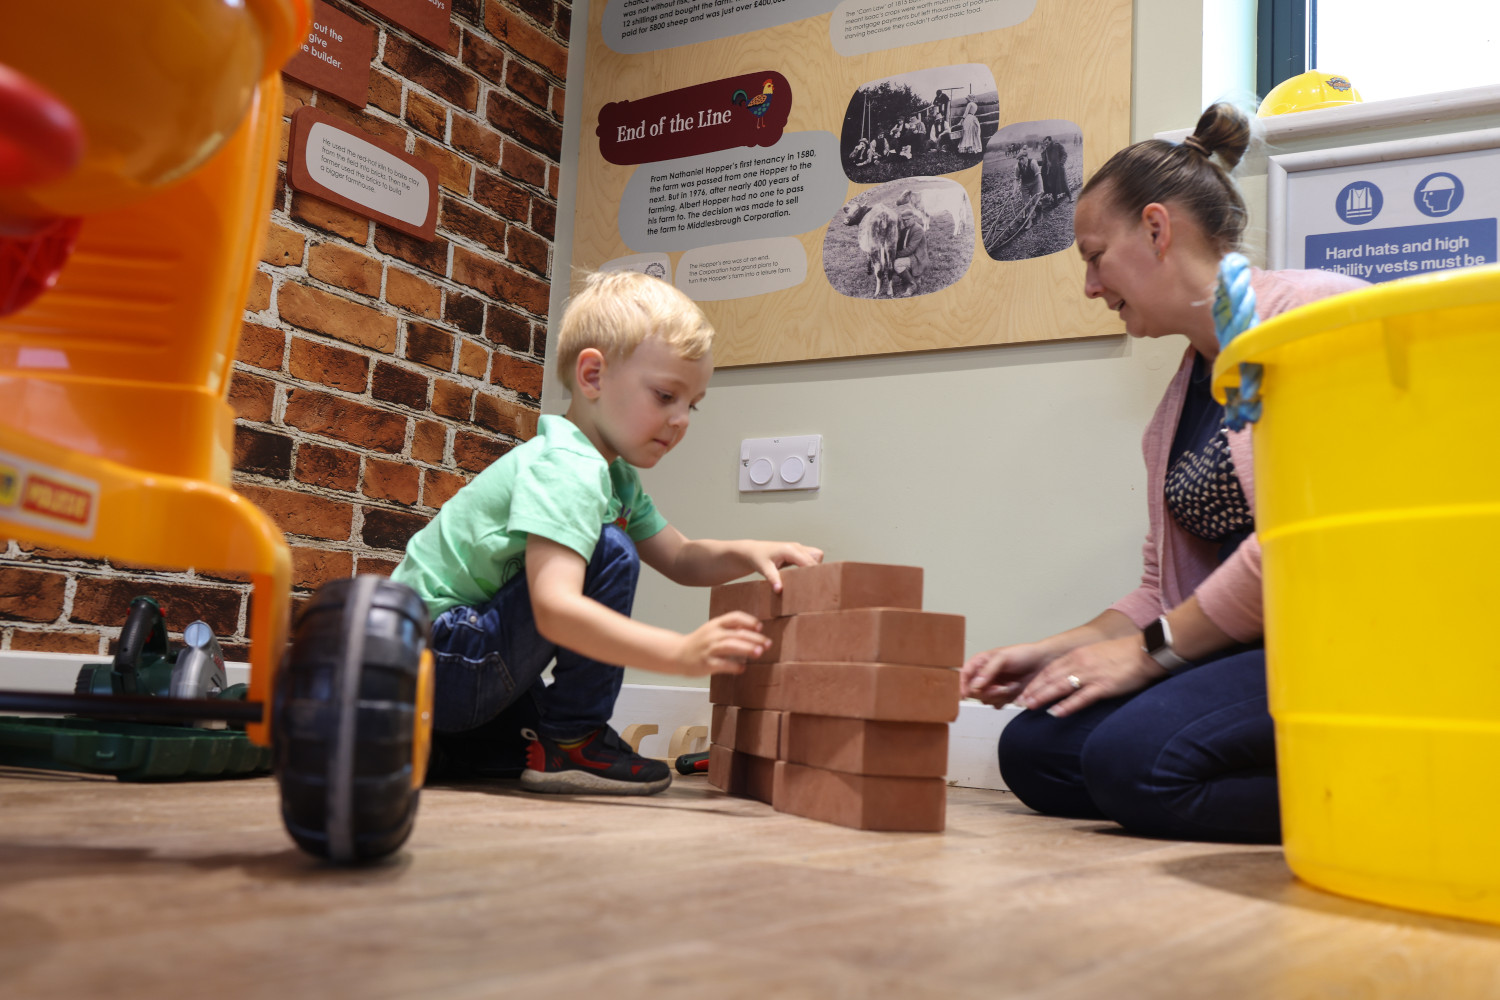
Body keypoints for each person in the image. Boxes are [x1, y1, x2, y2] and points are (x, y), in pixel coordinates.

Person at [960, 102, 1366, 843]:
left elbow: (1307, 541)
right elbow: (1162, 587)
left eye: (1093, 255)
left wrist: (1150, 656)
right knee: (1035, 749)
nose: (1089, 286)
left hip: (1343, 641)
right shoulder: (1179, 401)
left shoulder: (1316, 318)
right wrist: (1055, 651)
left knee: (1133, 764)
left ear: (1155, 229)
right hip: (1240, 648)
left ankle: (1387, 791)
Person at [392, 270, 823, 795]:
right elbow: (555, 607)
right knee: (610, 547)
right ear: (593, 376)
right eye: (666, 395)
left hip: (447, 666)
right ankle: (574, 740)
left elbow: (682, 557)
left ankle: (449, 747)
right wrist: (678, 652)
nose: (682, 419)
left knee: (511, 753)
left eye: (693, 404)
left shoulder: (612, 475)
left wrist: (749, 550)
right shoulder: (568, 466)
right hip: (438, 655)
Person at [1014, 148, 1040, 228]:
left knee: (1036, 201)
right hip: (1025, 185)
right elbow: (1017, 179)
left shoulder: (1033, 163)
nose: (1021, 161)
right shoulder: (1017, 167)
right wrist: (1014, 190)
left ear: (1026, 157)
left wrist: (1040, 188)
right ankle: (1030, 221)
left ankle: (1039, 215)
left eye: (1022, 159)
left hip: (1035, 182)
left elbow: (1038, 176)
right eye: (1019, 159)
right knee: (1026, 204)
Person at [1040, 135, 1070, 206]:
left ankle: (1070, 197)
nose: (1046, 144)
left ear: (1050, 141)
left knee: (1064, 184)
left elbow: (1064, 154)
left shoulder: (1057, 146)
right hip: (1051, 171)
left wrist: (1061, 163)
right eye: (1045, 143)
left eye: (1047, 142)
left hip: (1059, 169)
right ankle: (1056, 202)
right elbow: (1044, 162)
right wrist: (1035, 162)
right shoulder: (1045, 151)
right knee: (1053, 186)